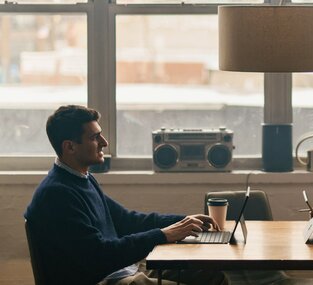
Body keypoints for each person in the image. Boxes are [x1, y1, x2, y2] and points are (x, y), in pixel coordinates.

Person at [24, 105, 226, 285]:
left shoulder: (82, 179)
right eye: (94, 137)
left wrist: (184, 221)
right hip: (102, 278)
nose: (104, 142)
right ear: (70, 146)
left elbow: (127, 220)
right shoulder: (57, 195)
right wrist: (164, 234)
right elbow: (100, 254)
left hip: (119, 271)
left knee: (210, 274)